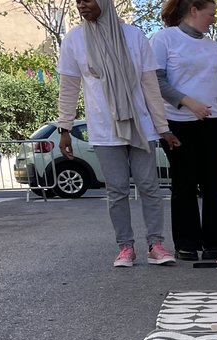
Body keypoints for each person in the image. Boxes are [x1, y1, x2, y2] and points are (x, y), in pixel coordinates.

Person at [56, 0, 181, 268]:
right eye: (77, 1)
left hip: (141, 126)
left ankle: (156, 244)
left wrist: (162, 127)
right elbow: (68, 88)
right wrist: (64, 128)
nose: (81, 6)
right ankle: (125, 247)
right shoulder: (75, 40)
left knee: (149, 186)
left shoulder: (134, 36)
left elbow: (150, 86)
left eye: (87, 0)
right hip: (103, 128)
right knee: (117, 191)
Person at [150, 0, 217, 262]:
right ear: (193, 10)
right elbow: (156, 81)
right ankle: (186, 243)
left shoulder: (213, 47)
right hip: (179, 122)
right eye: (211, 13)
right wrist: (188, 102)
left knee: (213, 182)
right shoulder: (164, 39)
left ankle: (216, 243)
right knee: (184, 182)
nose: (213, 19)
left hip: (215, 122)